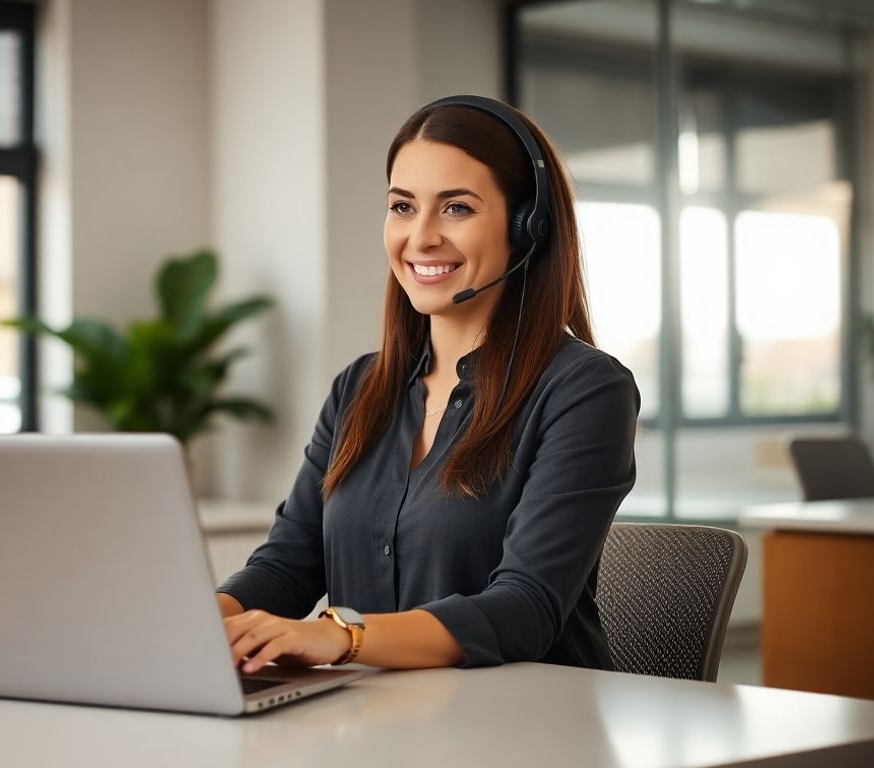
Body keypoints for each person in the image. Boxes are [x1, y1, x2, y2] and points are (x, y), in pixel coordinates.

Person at [216, 95, 639, 674]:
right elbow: (288, 566)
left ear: (528, 227)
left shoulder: (584, 390)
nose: (421, 237)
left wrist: (344, 636)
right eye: (402, 206)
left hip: (528, 729)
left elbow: (527, 607)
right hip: (375, 723)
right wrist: (197, 620)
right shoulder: (359, 388)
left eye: (457, 208)